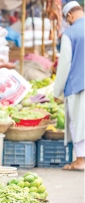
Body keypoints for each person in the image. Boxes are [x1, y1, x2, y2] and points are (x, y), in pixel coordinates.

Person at [54, 1, 84, 171]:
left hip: (77, 85)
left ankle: (80, 161)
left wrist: (57, 91)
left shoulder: (70, 33)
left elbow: (64, 64)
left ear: (69, 16)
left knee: (78, 123)